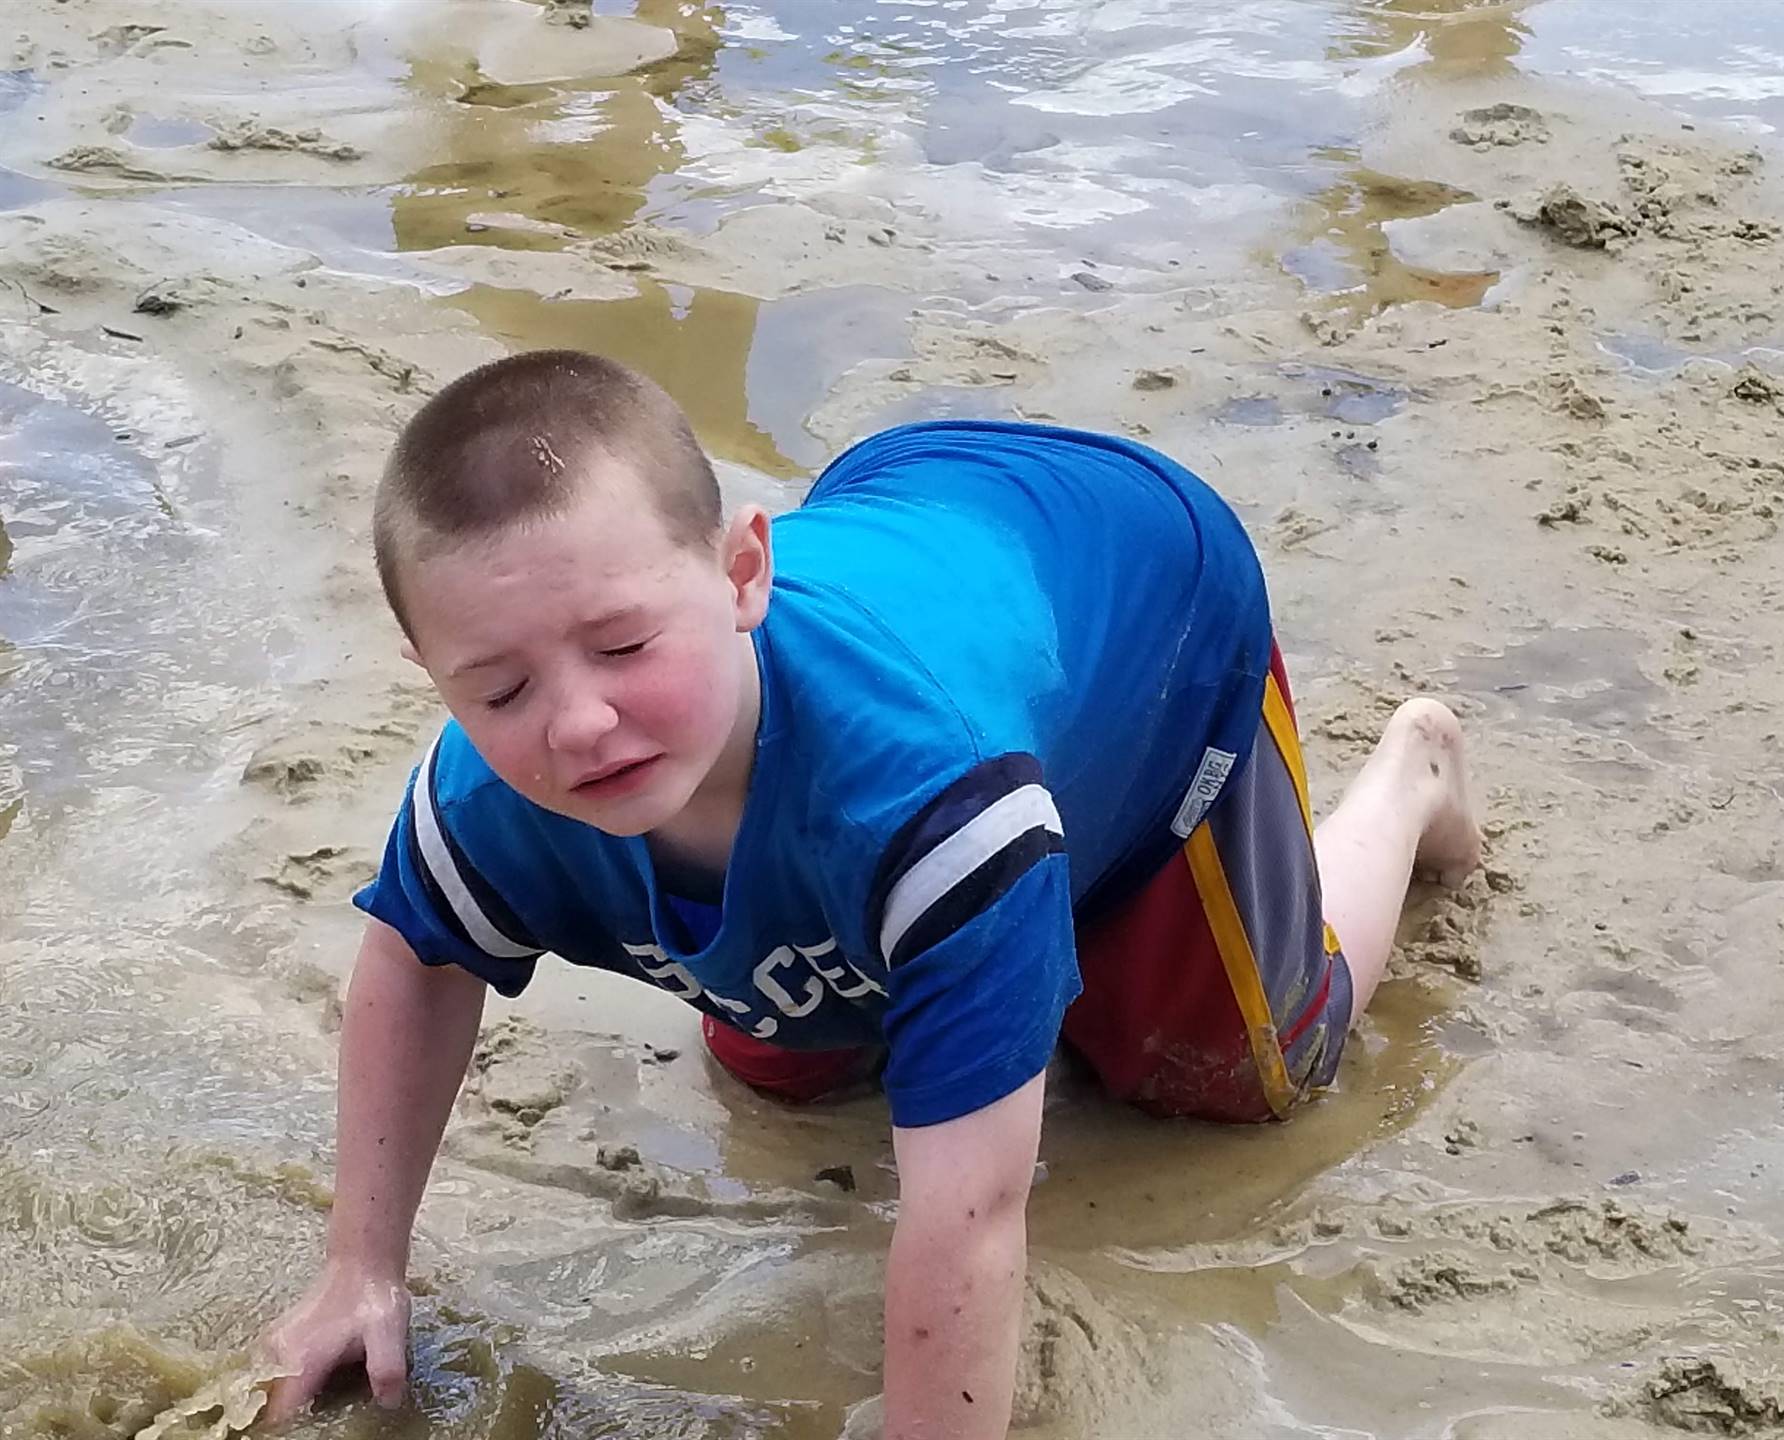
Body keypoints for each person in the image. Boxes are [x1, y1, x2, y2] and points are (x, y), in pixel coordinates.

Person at [260, 349, 1479, 1436]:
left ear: (744, 572)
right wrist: (362, 1268)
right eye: (500, 688)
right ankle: (965, 968)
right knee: (781, 1057)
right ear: (431, 672)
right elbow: (417, 960)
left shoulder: (933, 808)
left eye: (624, 647)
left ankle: (1409, 779)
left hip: (1146, 598)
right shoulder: (488, 792)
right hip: (919, 529)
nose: (577, 722)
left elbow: (969, 1218)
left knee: (1234, 1081)